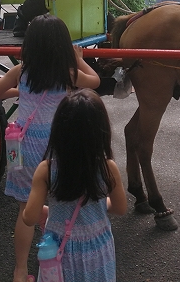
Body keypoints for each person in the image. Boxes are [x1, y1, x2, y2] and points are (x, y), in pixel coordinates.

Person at [0, 14, 101, 282]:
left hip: (23, 145)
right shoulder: (68, 74)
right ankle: (60, 262)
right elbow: (94, 82)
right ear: (63, 46)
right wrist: (79, 58)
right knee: (64, 201)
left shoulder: (21, 72)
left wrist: (21, 93)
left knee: (26, 209)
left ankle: (20, 270)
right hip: (59, 144)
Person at [22, 89, 127, 282]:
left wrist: (47, 211)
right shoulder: (107, 167)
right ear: (101, 130)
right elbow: (120, 208)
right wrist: (101, 205)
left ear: (58, 130)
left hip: (60, 251)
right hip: (98, 248)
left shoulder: (47, 169)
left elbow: (29, 217)